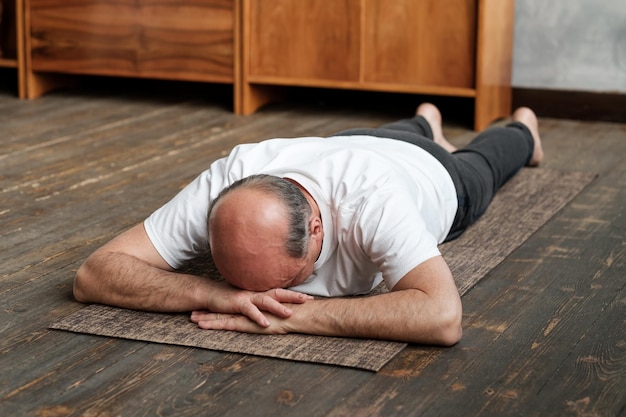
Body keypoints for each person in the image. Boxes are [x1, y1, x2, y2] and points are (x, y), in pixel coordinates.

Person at [73, 103, 543, 346]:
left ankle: (522, 128)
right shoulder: (229, 177)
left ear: (316, 229)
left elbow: (442, 317)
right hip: (351, 141)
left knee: (486, 159)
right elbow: (94, 273)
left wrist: (291, 319)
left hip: (435, 174)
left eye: (280, 285)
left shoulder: (373, 203)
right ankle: (424, 119)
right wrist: (214, 293)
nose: (256, 302)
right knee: (391, 132)